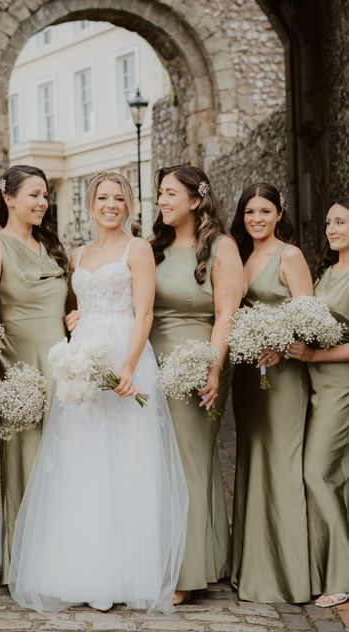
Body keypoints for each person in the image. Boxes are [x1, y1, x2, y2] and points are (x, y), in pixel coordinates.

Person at [9, 171, 188, 613]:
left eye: (119, 198)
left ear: (128, 205)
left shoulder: (138, 249)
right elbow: (77, 308)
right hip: (85, 362)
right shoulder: (77, 254)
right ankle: (84, 571)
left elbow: (144, 312)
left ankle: (131, 573)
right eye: (103, 198)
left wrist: (128, 366)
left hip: (127, 357)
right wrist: (75, 326)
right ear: (90, 204)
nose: (111, 205)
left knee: (129, 460)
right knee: (83, 460)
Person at [149, 165, 243, 604]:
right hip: (152, 365)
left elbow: (225, 314)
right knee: (157, 463)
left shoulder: (222, 247)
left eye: (169, 193)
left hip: (197, 365)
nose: (162, 201)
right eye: (160, 194)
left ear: (195, 199)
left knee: (189, 462)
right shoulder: (154, 249)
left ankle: (187, 574)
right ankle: (179, 557)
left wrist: (212, 368)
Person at [0, 164, 68, 583]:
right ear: (8, 198)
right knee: (26, 465)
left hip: (62, 369)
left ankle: (63, 559)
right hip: (19, 372)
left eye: (45, 195)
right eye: (33, 194)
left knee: (63, 465)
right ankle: (25, 566)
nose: (41, 202)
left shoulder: (50, 246)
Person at [230, 182, 313, 603]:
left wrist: (282, 345)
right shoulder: (238, 255)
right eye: (249, 213)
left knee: (281, 462)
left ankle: (288, 575)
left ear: (279, 214)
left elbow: (307, 312)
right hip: (247, 375)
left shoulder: (290, 255)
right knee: (253, 459)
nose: (257, 219)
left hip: (281, 376)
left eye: (264, 211)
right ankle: (251, 568)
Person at [287, 198, 349, 608]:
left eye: (341, 221)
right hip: (313, 384)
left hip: (340, 385)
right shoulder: (328, 272)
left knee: (316, 471)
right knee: (337, 476)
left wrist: (311, 356)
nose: (331, 228)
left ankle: (341, 575)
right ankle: (323, 568)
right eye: (328, 221)